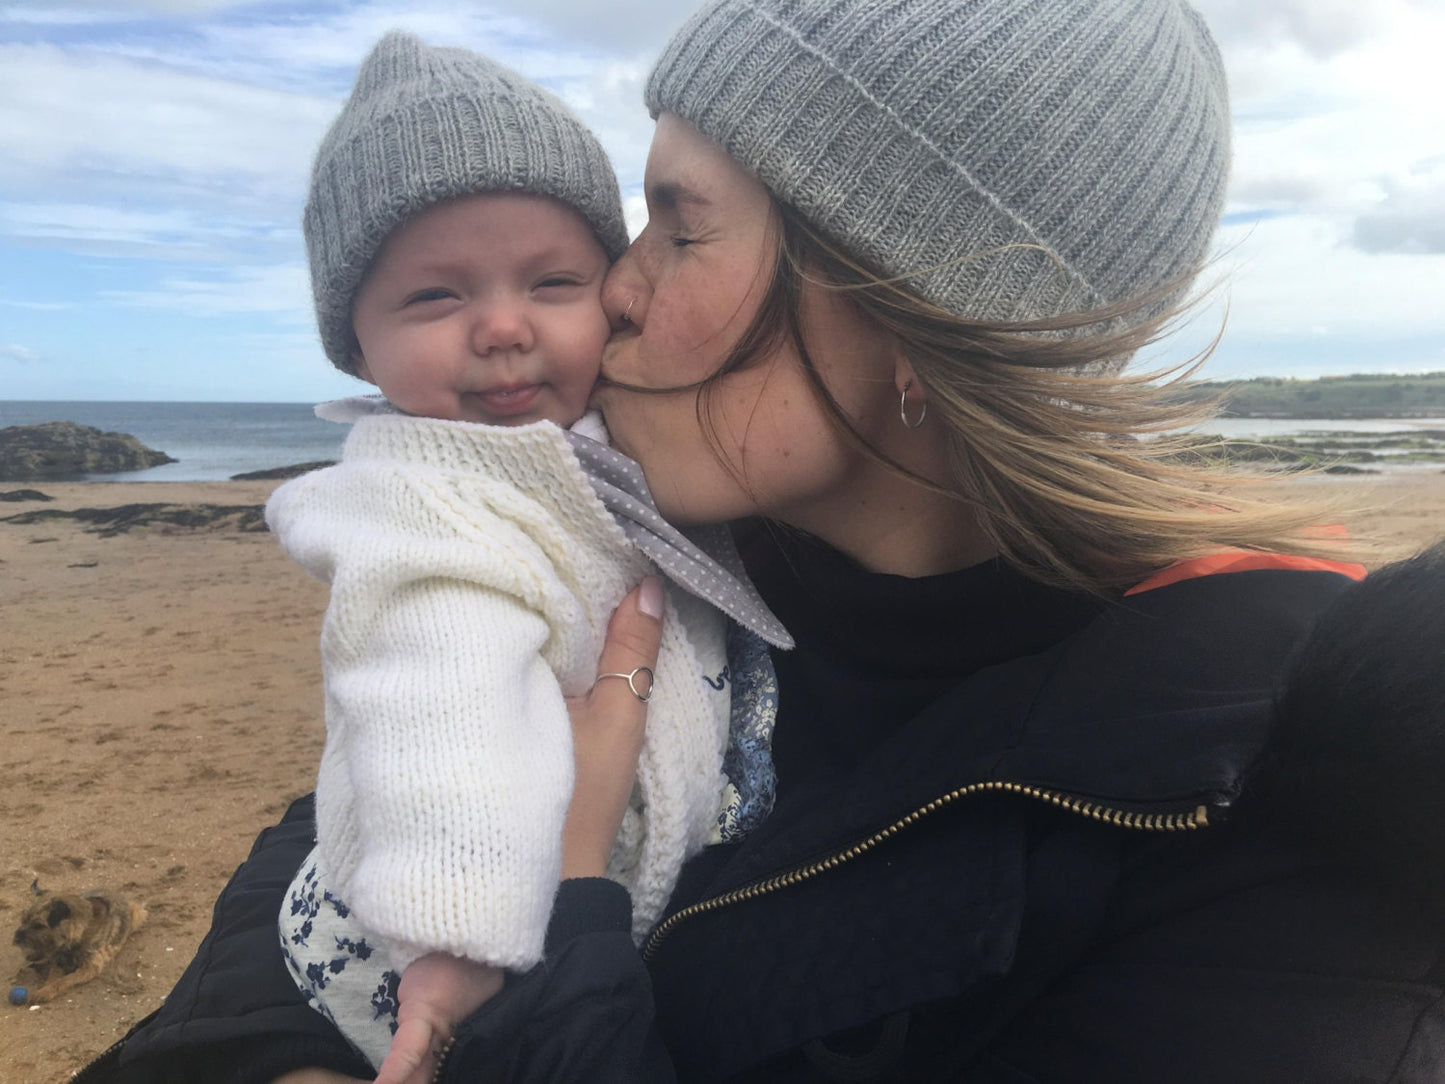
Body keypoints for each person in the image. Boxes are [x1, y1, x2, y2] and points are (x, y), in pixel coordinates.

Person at [77, 1, 1445, 1082]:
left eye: (677, 226)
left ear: (907, 311)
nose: (609, 287)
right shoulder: (678, 536)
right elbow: (351, 795)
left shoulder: (1261, 819)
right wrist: (280, 1057)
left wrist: (563, 921)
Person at [259, 30, 791, 1083]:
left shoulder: (605, 444)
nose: (502, 327)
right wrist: (454, 936)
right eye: (434, 297)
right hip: (433, 949)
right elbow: (436, 703)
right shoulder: (423, 507)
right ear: (354, 344)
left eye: (552, 282)